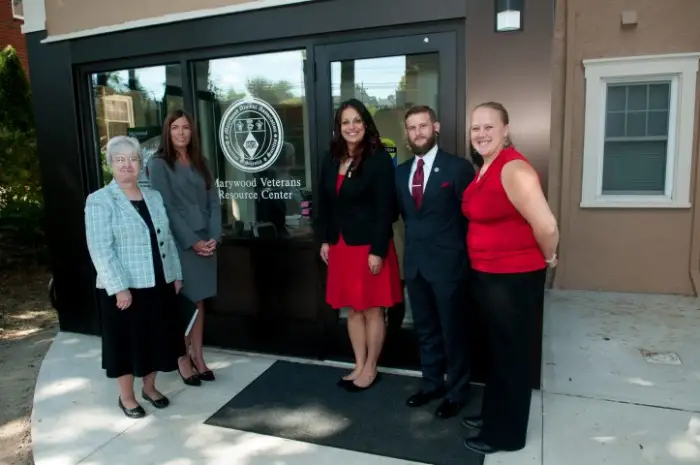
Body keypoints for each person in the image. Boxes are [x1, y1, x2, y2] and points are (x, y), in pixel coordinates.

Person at [461, 101, 559, 455]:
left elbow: (546, 225)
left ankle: (507, 435)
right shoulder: (486, 166)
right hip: (490, 277)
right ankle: (492, 415)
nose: (481, 134)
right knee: (498, 353)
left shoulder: (514, 168)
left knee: (513, 357)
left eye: (489, 127)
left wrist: (549, 257)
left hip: (513, 280)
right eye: (476, 128)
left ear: (505, 129)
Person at [85, 136, 187, 418]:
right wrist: (119, 288)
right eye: (120, 160)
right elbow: (100, 249)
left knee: (156, 339)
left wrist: (175, 275)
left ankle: (150, 388)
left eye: (133, 159)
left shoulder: (153, 196)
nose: (127, 165)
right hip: (126, 289)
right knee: (127, 344)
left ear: (141, 164)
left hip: (159, 282)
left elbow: (165, 238)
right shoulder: (100, 201)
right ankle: (127, 397)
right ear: (111, 165)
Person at [316, 98, 403, 391]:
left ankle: (371, 368)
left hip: (369, 247)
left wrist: (378, 249)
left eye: (356, 121)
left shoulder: (378, 159)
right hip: (341, 246)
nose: (351, 127)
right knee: (352, 309)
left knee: (372, 309)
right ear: (338, 128)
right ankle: (358, 363)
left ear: (365, 124)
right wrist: (326, 239)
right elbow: (325, 204)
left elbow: (386, 208)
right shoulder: (331, 158)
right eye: (345, 122)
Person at [395, 105, 475, 419]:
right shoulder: (400, 172)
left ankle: (457, 393)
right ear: (407, 133)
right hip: (415, 265)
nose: (418, 133)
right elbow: (406, 217)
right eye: (412, 128)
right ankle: (431, 385)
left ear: (436, 127)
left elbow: (470, 219)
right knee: (426, 330)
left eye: (423, 126)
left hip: (449, 267)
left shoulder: (457, 168)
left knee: (453, 332)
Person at [147, 109, 222, 384]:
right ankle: (182, 358)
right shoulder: (158, 164)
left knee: (200, 301)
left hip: (206, 240)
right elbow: (166, 207)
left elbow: (214, 201)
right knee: (184, 303)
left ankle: (198, 356)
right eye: (175, 127)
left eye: (186, 127)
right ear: (167, 131)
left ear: (192, 132)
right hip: (181, 243)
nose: (181, 132)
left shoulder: (201, 161)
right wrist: (192, 241)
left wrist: (213, 236)